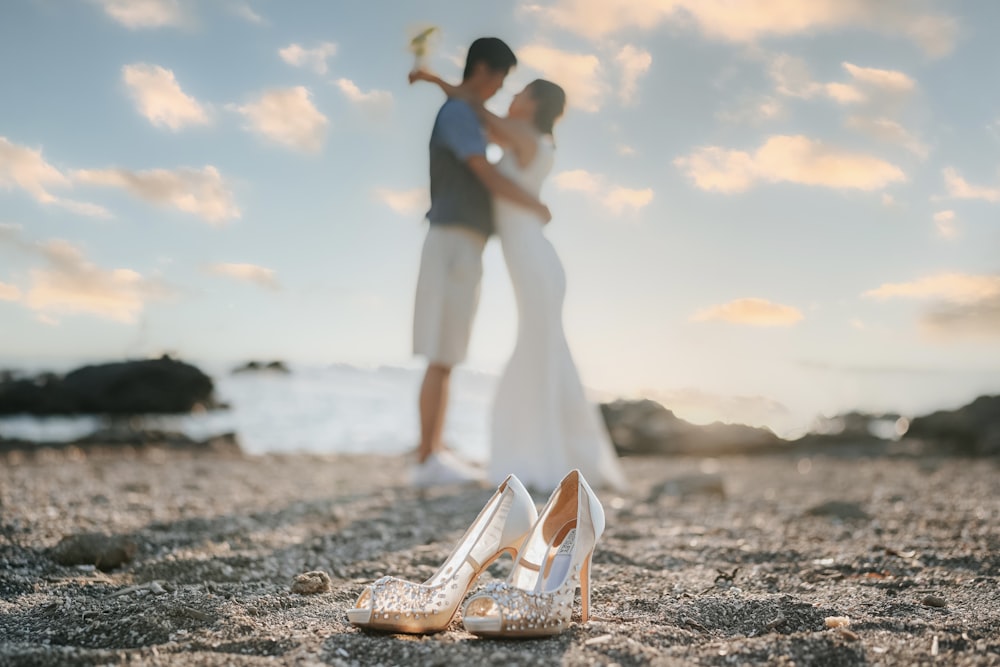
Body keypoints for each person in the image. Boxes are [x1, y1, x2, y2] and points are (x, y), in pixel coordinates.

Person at [410, 70, 628, 494]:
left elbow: (474, 107)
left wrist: (433, 77)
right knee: (545, 348)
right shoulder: (520, 139)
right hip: (532, 257)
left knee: (539, 347)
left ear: (533, 103)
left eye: (521, 91)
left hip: (534, 258)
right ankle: (558, 454)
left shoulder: (524, 136)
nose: (512, 96)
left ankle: (543, 458)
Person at [410, 38, 552, 488]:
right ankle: (427, 457)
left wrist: (434, 79)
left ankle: (432, 451)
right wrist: (535, 205)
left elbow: (467, 102)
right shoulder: (459, 115)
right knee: (441, 349)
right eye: (502, 79)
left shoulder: (465, 109)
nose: (501, 89)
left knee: (447, 349)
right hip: (453, 238)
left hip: (461, 241)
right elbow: (483, 171)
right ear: (487, 71)